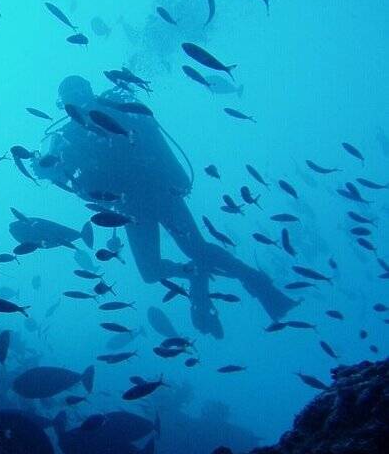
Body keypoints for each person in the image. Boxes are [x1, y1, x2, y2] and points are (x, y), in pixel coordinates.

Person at [32, 75, 296, 338]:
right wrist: (45, 166)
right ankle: (199, 276)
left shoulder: (106, 115)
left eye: (77, 95)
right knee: (157, 268)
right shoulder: (78, 132)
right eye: (72, 98)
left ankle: (257, 285)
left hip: (151, 196)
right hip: (140, 203)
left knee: (189, 252)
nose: (77, 101)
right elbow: (54, 172)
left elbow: (148, 139)